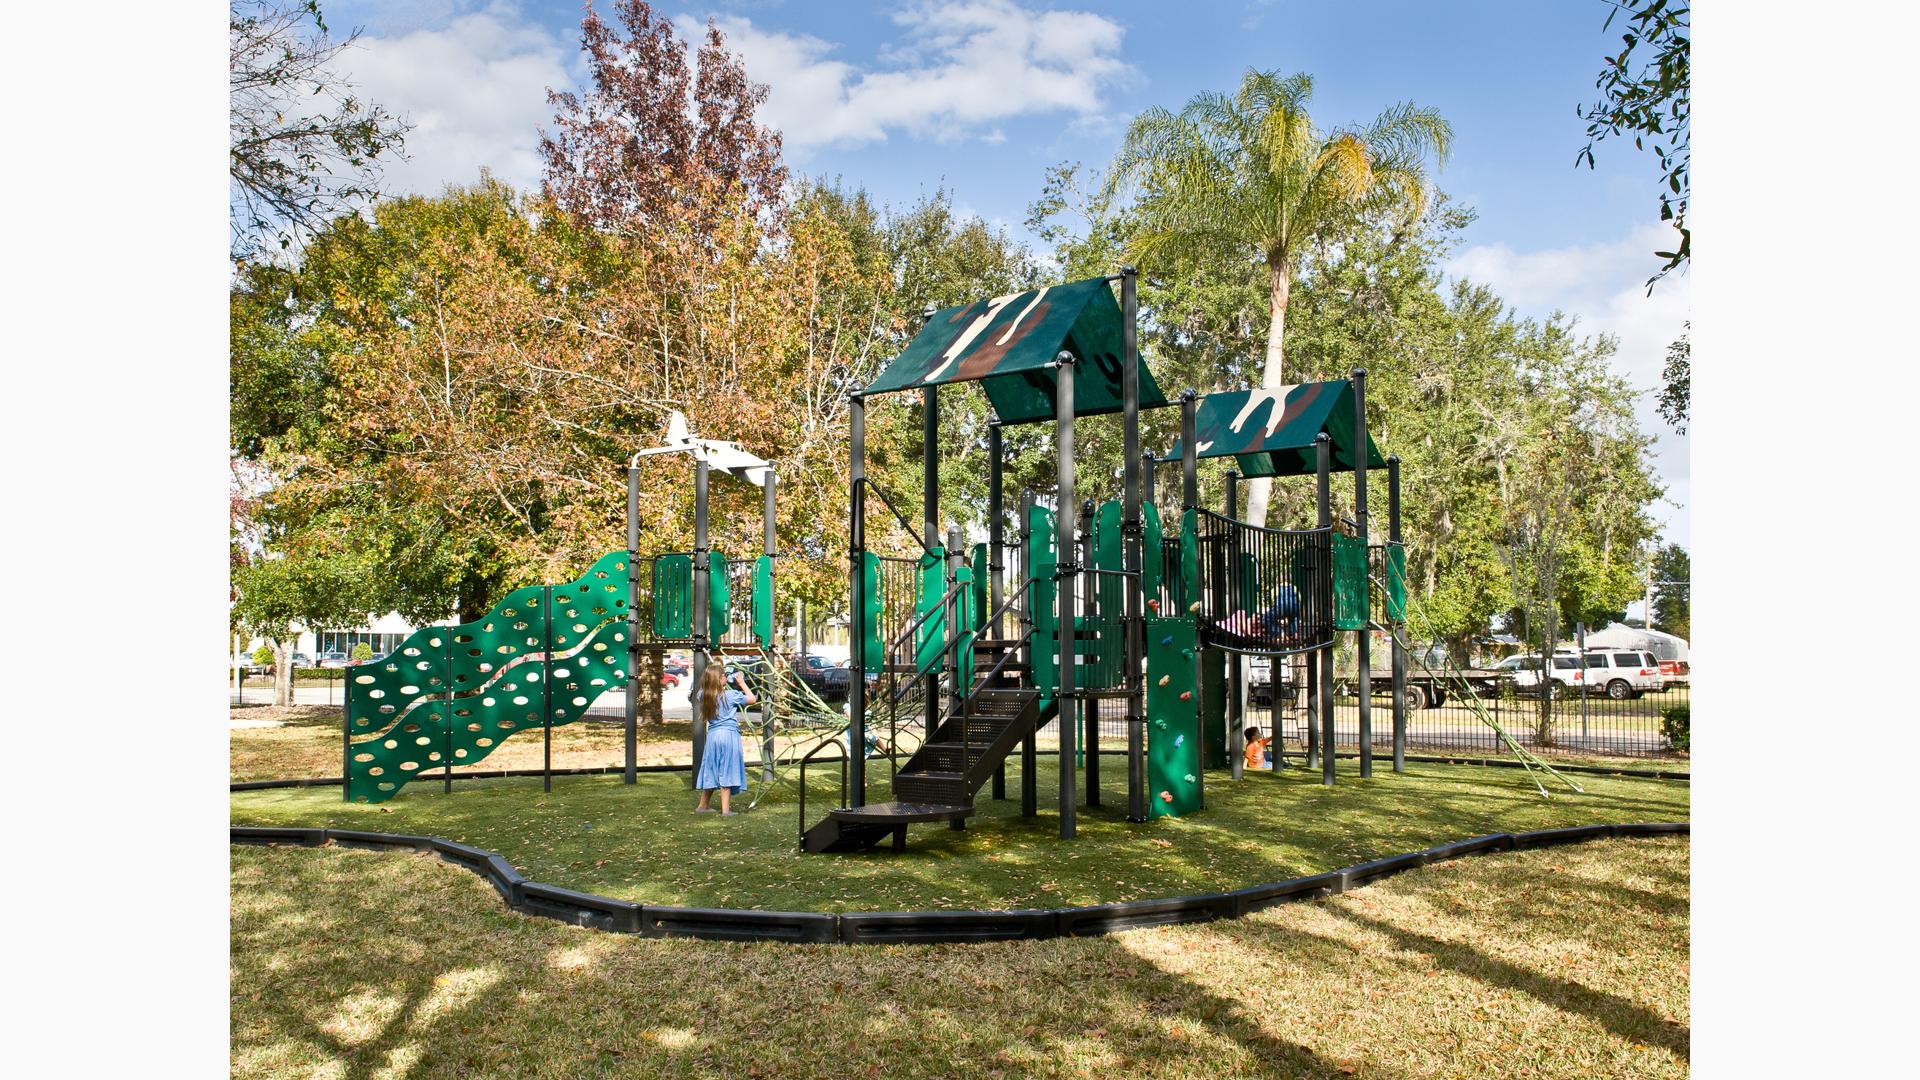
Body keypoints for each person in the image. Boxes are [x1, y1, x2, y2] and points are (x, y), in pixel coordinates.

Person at [694, 659, 756, 816]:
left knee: (711, 767)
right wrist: (741, 682)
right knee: (726, 768)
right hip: (728, 736)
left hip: (713, 736)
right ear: (720, 679)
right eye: (724, 676)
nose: (725, 678)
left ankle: (703, 805)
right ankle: (726, 810)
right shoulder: (730, 695)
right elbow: (752, 698)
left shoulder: (703, 695)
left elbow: (708, 690)